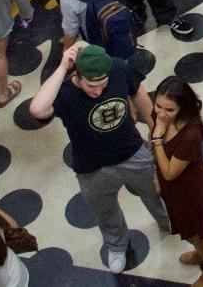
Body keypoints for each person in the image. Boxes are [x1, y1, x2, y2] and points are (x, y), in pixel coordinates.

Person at [28, 43, 169, 274]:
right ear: (77, 75)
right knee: (105, 210)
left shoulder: (117, 68)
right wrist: (63, 65)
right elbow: (37, 110)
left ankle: (168, 222)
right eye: (91, 86)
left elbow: (138, 92)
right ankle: (117, 245)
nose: (98, 91)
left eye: (103, 85)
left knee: (155, 191)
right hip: (91, 166)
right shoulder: (63, 92)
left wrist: (155, 132)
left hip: (132, 151)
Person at [144, 78, 203, 287]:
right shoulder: (161, 116)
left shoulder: (190, 135)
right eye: (158, 106)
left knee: (199, 234)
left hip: (193, 194)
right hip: (174, 191)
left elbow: (170, 172)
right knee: (192, 233)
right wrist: (155, 174)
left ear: (183, 108)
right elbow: (158, 154)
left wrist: (158, 139)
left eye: (169, 110)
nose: (161, 114)